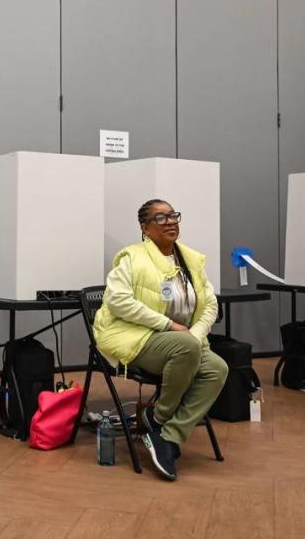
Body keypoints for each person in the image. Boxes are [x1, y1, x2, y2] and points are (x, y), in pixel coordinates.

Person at [93, 199, 227, 481]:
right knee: (187, 348)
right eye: (161, 218)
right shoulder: (132, 257)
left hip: (181, 341)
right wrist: (168, 325)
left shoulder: (191, 259)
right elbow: (117, 301)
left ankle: (168, 434)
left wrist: (195, 333)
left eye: (173, 216)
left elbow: (210, 304)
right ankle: (157, 417)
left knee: (217, 369)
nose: (171, 222)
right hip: (133, 336)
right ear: (145, 228)